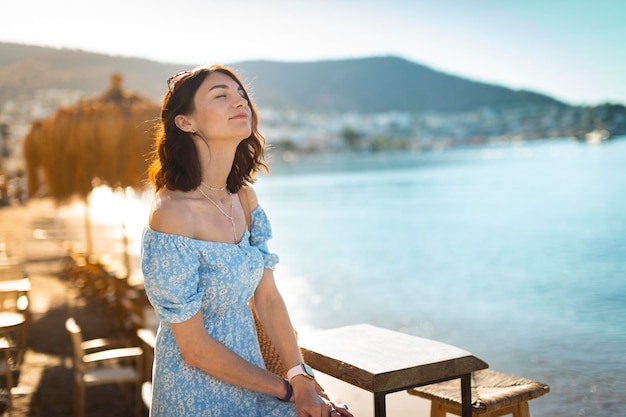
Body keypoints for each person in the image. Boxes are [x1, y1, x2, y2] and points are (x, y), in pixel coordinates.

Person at [141, 64, 353, 417]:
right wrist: (287, 390)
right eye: (221, 95)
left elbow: (267, 299)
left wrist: (302, 378)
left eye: (241, 93)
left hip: (257, 378)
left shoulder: (244, 199)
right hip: (197, 395)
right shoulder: (172, 214)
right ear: (186, 122)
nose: (240, 101)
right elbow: (193, 349)